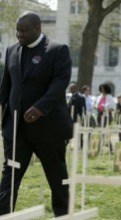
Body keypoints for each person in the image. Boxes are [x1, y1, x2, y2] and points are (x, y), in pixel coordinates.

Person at [0, 11, 73, 216]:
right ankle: (3, 213)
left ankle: (62, 214)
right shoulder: (11, 51)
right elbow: (6, 86)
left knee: (57, 177)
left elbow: (60, 83)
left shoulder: (57, 50)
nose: (19, 35)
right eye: (17, 30)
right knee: (9, 175)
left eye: (23, 31)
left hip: (48, 130)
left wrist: (41, 107)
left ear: (38, 29)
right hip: (16, 130)